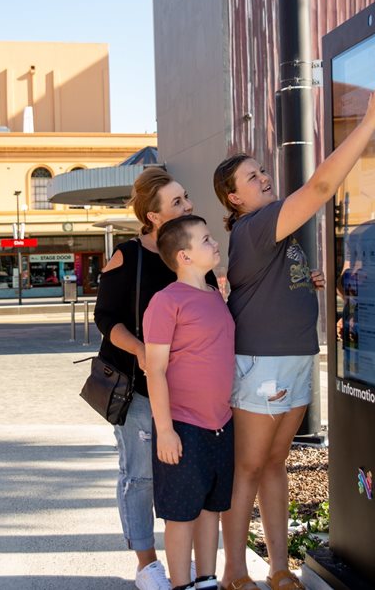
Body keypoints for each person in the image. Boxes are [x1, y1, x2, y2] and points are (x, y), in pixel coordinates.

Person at [212, 75, 375, 590]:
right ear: (232, 197)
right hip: (262, 364)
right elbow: (320, 187)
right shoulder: (255, 226)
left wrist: (304, 284)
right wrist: (369, 125)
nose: (263, 177)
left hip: (294, 358)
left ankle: (279, 567)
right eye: (252, 176)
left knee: (273, 466)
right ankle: (234, 572)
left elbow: (273, 283)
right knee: (248, 467)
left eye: (262, 170)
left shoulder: (275, 229)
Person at [94, 167, 216, 590]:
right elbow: (105, 319)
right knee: (140, 475)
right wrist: (143, 352)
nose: (188, 206)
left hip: (188, 394)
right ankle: (147, 564)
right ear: (153, 217)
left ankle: (190, 564)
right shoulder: (128, 256)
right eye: (178, 203)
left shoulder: (195, 257)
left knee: (183, 475)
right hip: (138, 387)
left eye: (186, 198)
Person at [143, 215, 235, 590]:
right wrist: (165, 430)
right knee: (181, 514)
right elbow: (155, 369)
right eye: (206, 239)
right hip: (182, 425)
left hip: (221, 423)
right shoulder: (166, 302)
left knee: (211, 508)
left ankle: (207, 579)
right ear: (184, 256)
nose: (215, 244)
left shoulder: (215, 295)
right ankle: (181, 583)